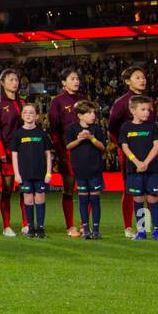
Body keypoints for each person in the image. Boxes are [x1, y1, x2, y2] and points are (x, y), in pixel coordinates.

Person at [119, 94, 158, 240]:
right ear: (133, 110)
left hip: (152, 170)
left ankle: (156, 231)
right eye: (143, 109)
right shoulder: (126, 127)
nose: (147, 112)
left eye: (148, 110)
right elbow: (125, 147)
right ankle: (142, 231)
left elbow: (156, 146)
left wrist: (145, 162)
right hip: (134, 170)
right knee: (138, 200)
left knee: (152, 199)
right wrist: (137, 162)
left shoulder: (153, 126)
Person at [47, 67, 84, 237]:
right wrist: (61, 152)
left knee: (87, 188)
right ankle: (70, 226)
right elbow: (54, 130)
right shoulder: (58, 102)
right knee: (69, 188)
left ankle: (85, 225)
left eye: (77, 78)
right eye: (72, 78)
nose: (76, 81)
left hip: (85, 150)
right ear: (63, 82)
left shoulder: (83, 100)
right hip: (67, 152)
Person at [0, 68, 25, 237]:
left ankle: (26, 223)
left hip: (25, 152)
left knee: (26, 189)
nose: (15, 82)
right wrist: (2, 153)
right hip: (8, 154)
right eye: (11, 80)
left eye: (16, 79)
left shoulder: (23, 103)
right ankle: (7, 225)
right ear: (2, 83)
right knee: (7, 189)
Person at [66, 101, 107, 239]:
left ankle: (96, 229)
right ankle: (85, 229)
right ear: (80, 116)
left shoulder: (96, 129)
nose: (93, 115)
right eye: (89, 113)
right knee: (83, 200)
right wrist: (79, 139)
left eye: (94, 113)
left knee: (95, 200)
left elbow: (102, 146)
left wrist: (91, 138)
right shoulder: (72, 129)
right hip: (80, 170)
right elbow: (68, 146)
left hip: (95, 169)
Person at [12, 102, 53, 239]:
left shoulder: (42, 134)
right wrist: (17, 173)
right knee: (28, 199)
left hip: (40, 172)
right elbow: (14, 154)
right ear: (22, 115)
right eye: (26, 112)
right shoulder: (18, 134)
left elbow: (48, 154)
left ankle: (40, 228)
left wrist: (48, 172)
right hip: (25, 173)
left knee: (40, 198)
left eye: (31, 112)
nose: (28, 115)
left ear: (36, 116)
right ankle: (30, 227)